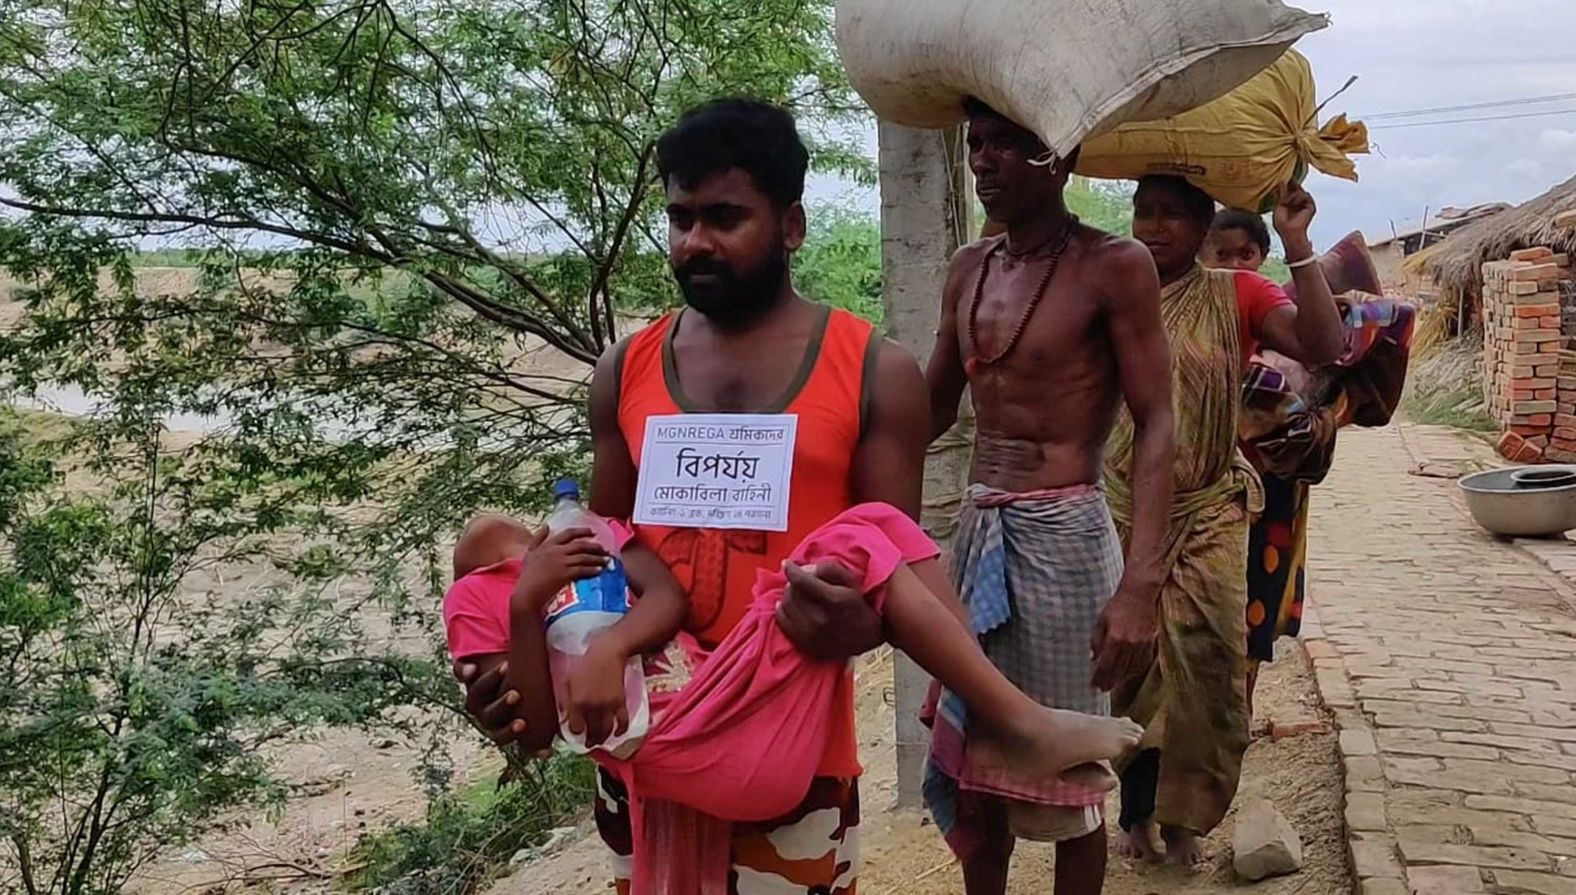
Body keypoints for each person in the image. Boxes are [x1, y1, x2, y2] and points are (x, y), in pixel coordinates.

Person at [453, 97, 925, 894]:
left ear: (793, 225)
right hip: (643, 744)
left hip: (787, 754)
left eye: (724, 217)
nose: (694, 241)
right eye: (679, 217)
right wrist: (515, 676)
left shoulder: (876, 371)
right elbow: (601, 559)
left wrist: (860, 622)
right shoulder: (625, 369)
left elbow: (890, 569)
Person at [443, 506, 1143, 889]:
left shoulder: (587, 537)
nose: (533, 544)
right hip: (675, 739)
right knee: (861, 543)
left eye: (533, 533)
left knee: (871, 523)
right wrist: (526, 599)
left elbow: (667, 594)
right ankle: (1011, 721)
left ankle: (995, 718)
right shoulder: (481, 599)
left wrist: (612, 643)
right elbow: (533, 729)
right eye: (510, 555)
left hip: (726, 695)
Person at [923, 99, 1177, 895]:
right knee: (976, 769)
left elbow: (1159, 419)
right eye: (977, 144)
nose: (985, 162)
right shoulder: (970, 268)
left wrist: (1139, 584)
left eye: (1008, 145)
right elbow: (927, 409)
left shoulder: (1114, 265)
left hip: (1067, 537)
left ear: (1062, 159)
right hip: (979, 534)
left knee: (1073, 772)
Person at [1105, 175, 1342, 867]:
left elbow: (1321, 345)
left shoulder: (1234, 293)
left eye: (1170, 215)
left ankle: (1187, 822)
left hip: (1210, 506)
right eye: (1142, 211)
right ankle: (1134, 814)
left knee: (1209, 669)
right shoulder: (1113, 287)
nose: (1152, 227)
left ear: (1202, 222)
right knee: (1134, 670)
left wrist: (1296, 244)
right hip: (1121, 503)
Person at [1205, 211, 1415, 721]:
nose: (1235, 264)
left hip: (1271, 496)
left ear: (1263, 257)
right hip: (1204, 496)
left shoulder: (1281, 318)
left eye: (1246, 254)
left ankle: (1237, 722)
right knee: (1204, 615)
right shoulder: (1186, 313)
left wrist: (1326, 413)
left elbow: (1386, 322)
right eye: (1221, 254)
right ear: (1200, 256)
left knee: (1253, 612)